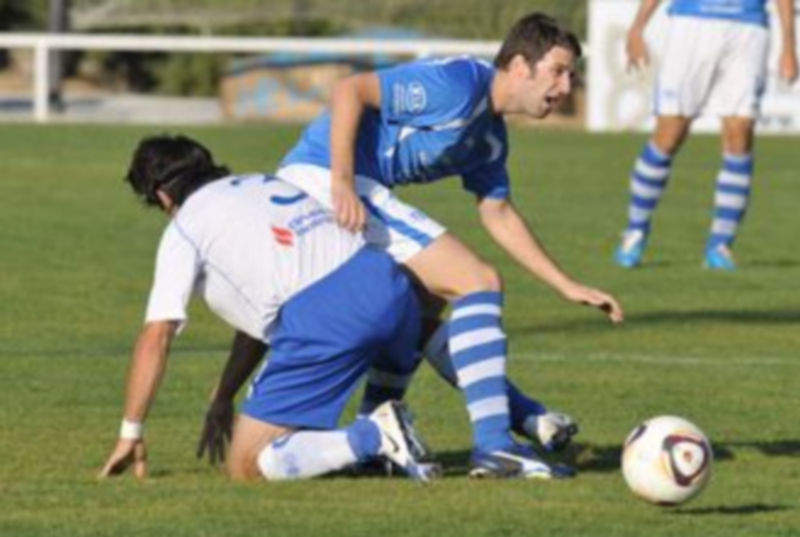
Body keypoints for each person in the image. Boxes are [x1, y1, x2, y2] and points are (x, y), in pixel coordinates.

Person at [242, 12, 623, 478]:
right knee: (477, 281)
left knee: (414, 308)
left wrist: (565, 284)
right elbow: (351, 90)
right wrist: (341, 181)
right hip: (324, 178)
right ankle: (496, 446)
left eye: (571, 75)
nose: (566, 87)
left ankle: (376, 437)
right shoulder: (457, 84)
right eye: (558, 71)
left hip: (347, 185)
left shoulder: (490, 140)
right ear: (521, 65)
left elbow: (498, 212)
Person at [99, 135, 438, 482]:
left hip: (329, 317)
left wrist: (131, 431)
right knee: (302, 430)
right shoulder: (262, 182)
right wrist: (224, 395)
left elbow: (156, 336)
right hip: (390, 287)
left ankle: (374, 437)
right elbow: (260, 318)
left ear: (162, 196)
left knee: (247, 464)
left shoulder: (184, 228)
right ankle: (420, 437)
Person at [614, 0, 798, 270]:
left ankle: (720, 245)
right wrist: (637, 28)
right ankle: (635, 230)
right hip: (693, 22)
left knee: (741, 133)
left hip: (749, 27)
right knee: (669, 134)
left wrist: (789, 45)